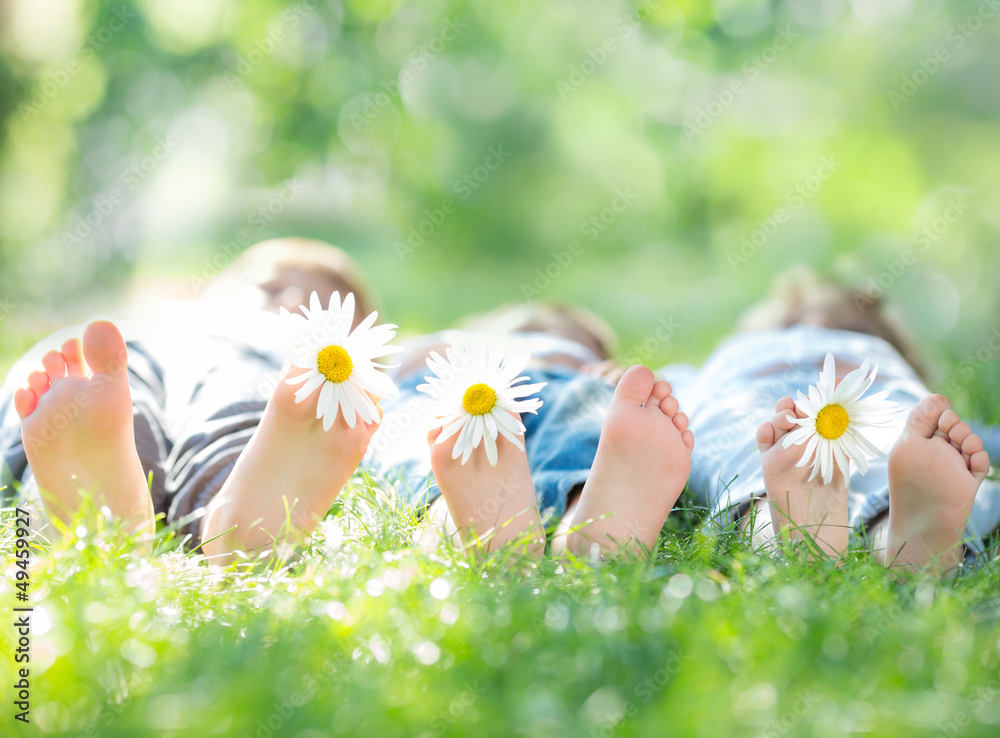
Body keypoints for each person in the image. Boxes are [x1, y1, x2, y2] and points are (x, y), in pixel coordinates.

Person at [0, 239, 695, 564]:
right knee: (80, 392)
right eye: (268, 281)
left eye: (312, 293)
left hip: (270, 382)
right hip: (129, 368)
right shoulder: (173, 324)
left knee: (251, 412)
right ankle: (83, 501)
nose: (283, 295)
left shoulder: (300, 359)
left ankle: (236, 517)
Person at [671, 267, 1000, 574]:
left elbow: (963, 435)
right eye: (790, 323)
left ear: (906, 362)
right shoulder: (727, 359)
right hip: (757, 415)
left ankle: (912, 535)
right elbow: (662, 394)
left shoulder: (891, 373)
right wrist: (622, 387)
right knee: (761, 465)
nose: (816, 327)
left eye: (853, 330)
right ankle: (893, 541)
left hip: (876, 417)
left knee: (916, 460)